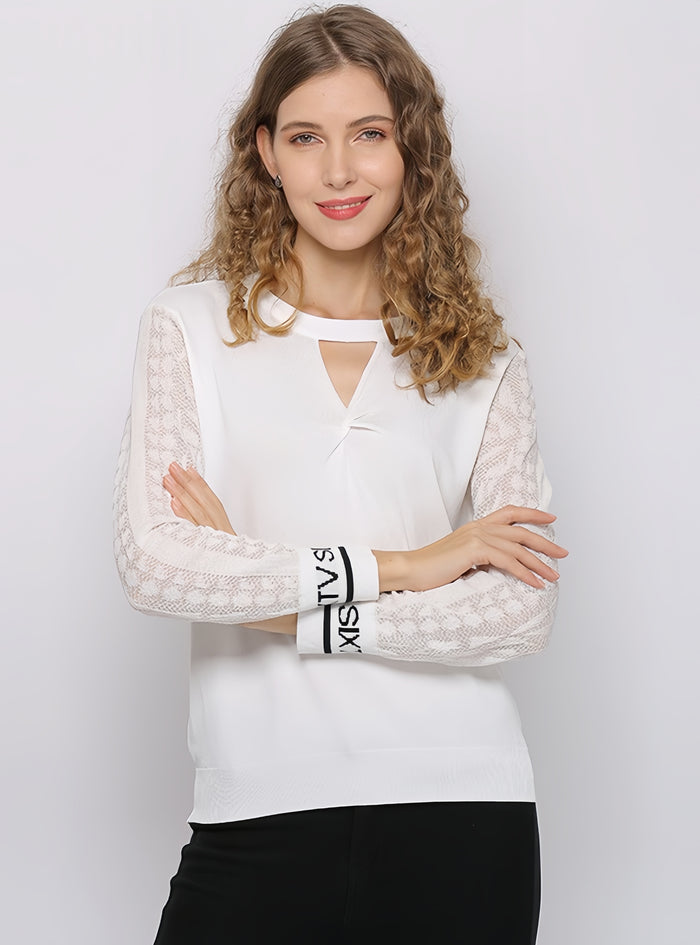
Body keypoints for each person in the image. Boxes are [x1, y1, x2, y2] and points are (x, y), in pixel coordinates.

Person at [114, 5, 568, 942]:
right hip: (257, 806)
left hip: (464, 809)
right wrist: (414, 564)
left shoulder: (486, 359)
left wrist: (270, 600)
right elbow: (158, 565)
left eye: (369, 134)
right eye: (306, 137)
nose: (338, 172)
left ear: (412, 149)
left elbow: (516, 613)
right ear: (266, 152)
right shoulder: (191, 328)